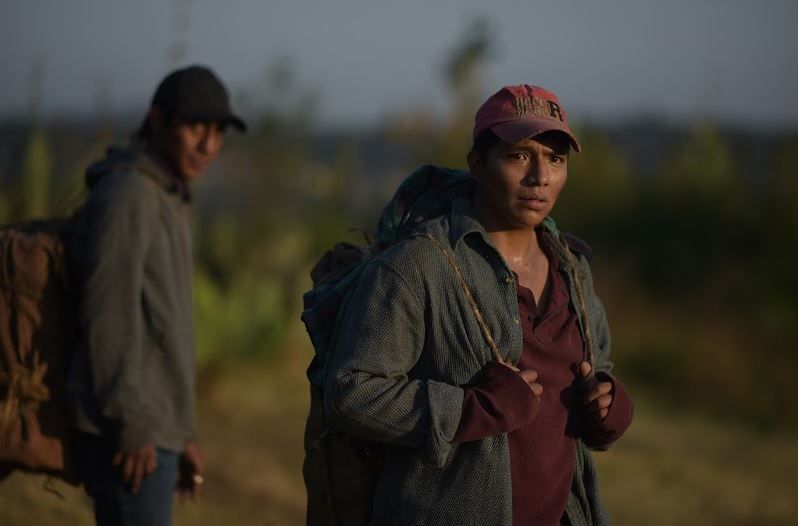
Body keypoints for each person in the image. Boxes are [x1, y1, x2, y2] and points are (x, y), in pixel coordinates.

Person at [323, 84, 633, 525]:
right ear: (477, 164)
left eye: (556, 159)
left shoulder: (573, 270)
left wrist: (608, 406)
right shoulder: (419, 265)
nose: (540, 177)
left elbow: (597, 371)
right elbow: (351, 392)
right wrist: (469, 409)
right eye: (519, 155)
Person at [67, 65, 246, 526]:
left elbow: (163, 328)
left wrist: (182, 433)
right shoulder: (130, 194)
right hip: (132, 436)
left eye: (217, 132)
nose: (208, 145)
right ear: (157, 120)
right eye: (194, 127)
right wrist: (131, 423)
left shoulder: (169, 195)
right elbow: (108, 312)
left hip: (156, 430)